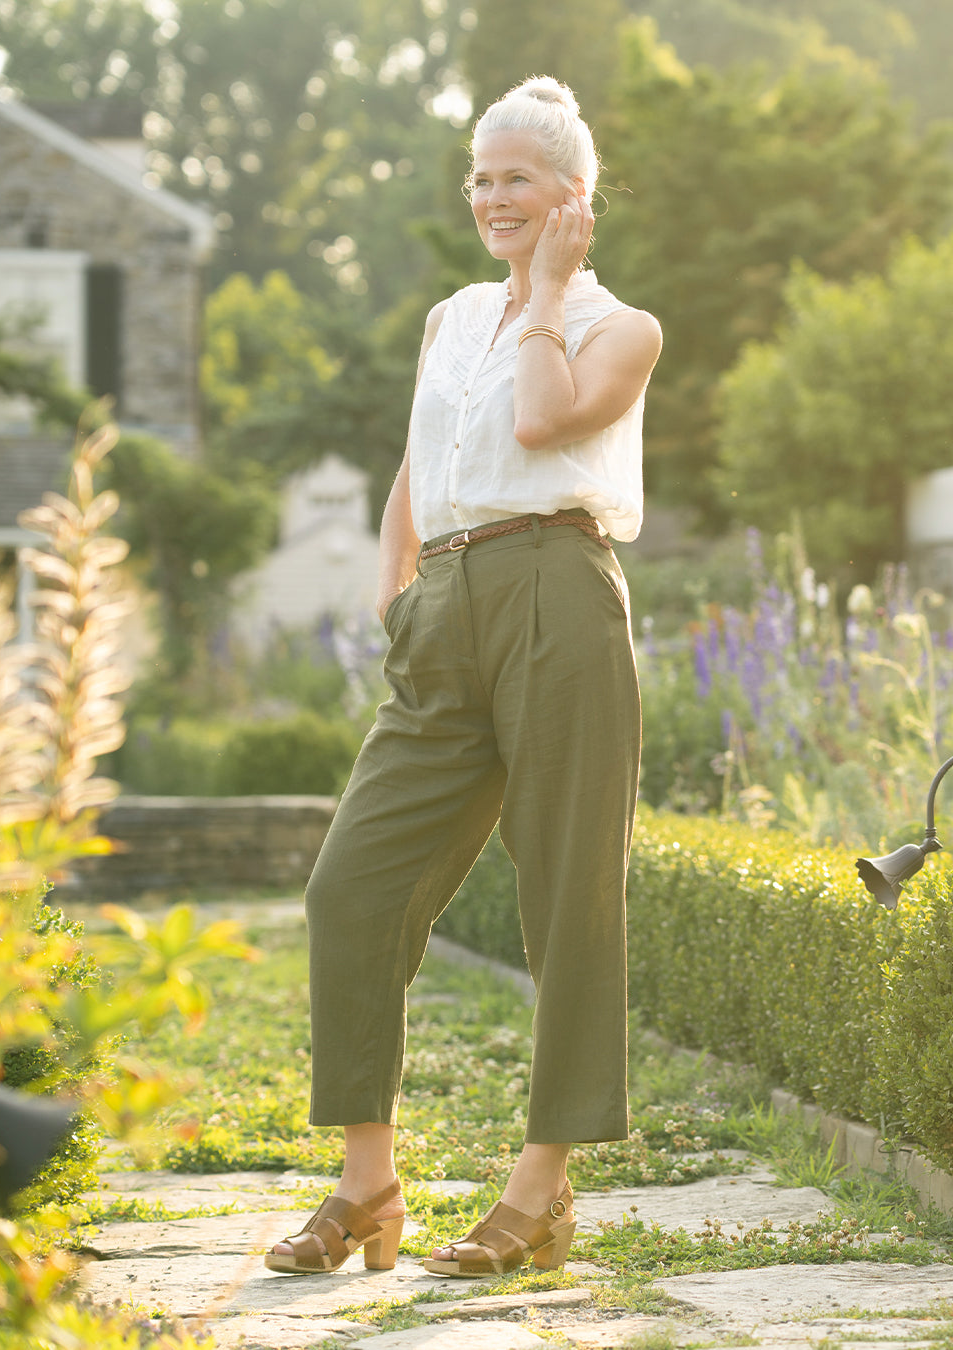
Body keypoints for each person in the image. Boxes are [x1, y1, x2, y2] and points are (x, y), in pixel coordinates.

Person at [265, 75, 662, 1279]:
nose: (492, 196)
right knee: (352, 888)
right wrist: (399, 590)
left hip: (559, 594)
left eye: (517, 179)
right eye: (481, 176)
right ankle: (367, 1185)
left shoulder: (619, 327)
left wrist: (543, 294)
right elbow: (418, 464)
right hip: (446, 603)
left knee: (567, 900)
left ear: (573, 197)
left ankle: (538, 1193)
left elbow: (543, 425)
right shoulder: (448, 318)